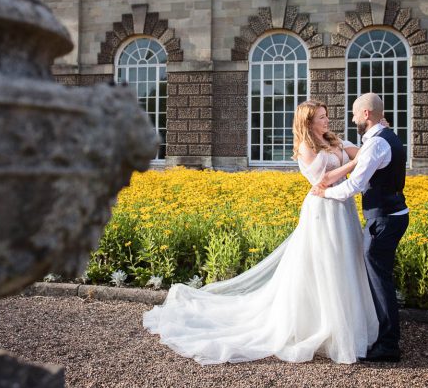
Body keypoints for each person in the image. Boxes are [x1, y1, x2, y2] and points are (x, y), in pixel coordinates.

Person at [143, 100, 379, 365]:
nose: (327, 121)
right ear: (308, 122)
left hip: (343, 208)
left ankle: (345, 324)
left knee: (345, 263)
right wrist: (353, 163)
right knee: (324, 264)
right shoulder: (305, 148)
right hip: (323, 209)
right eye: (321, 117)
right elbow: (323, 180)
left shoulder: (334, 140)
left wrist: (373, 138)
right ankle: (320, 326)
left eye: (326, 116)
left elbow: (363, 151)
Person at [311, 92, 409, 363]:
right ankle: (383, 333)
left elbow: (354, 186)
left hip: (385, 218)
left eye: (354, 113)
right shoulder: (385, 137)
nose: (351, 118)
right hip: (394, 213)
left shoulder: (376, 144)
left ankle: (388, 344)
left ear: (366, 115)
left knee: (380, 280)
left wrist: (324, 194)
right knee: (379, 277)